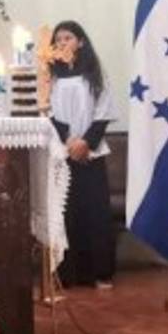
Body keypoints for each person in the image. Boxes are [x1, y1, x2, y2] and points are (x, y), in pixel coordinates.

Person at [47, 21, 116, 289]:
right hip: (61, 152)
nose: (63, 42)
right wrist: (68, 140)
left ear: (81, 42)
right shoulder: (49, 76)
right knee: (66, 213)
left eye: (68, 37)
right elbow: (47, 111)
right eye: (58, 39)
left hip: (91, 153)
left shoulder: (96, 75)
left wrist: (86, 143)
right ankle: (68, 274)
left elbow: (104, 111)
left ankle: (100, 272)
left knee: (94, 212)